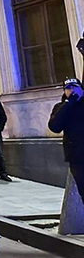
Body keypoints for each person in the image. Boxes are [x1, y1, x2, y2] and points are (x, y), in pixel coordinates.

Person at [49, 78, 84, 206]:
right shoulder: (61, 107)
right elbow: (55, 126)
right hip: (77, 156)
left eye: (75, 87)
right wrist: (68, 104)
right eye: (68, 88)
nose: (72, 91)